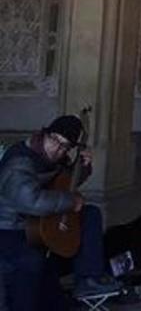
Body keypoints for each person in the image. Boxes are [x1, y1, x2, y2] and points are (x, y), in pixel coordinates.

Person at [0, 115, 119, 310]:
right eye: (54, 140)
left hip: (38, 222)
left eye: (65, 146)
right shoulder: (20, 160)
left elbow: (64, 185)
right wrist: (71, 202)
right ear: (44, 134)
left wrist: (83, 168)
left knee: (90, 215)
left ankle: (89, 279)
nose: (57, 149)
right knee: (33, 261)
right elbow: (32, 201)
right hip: (10, 228)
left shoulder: (56, 159)